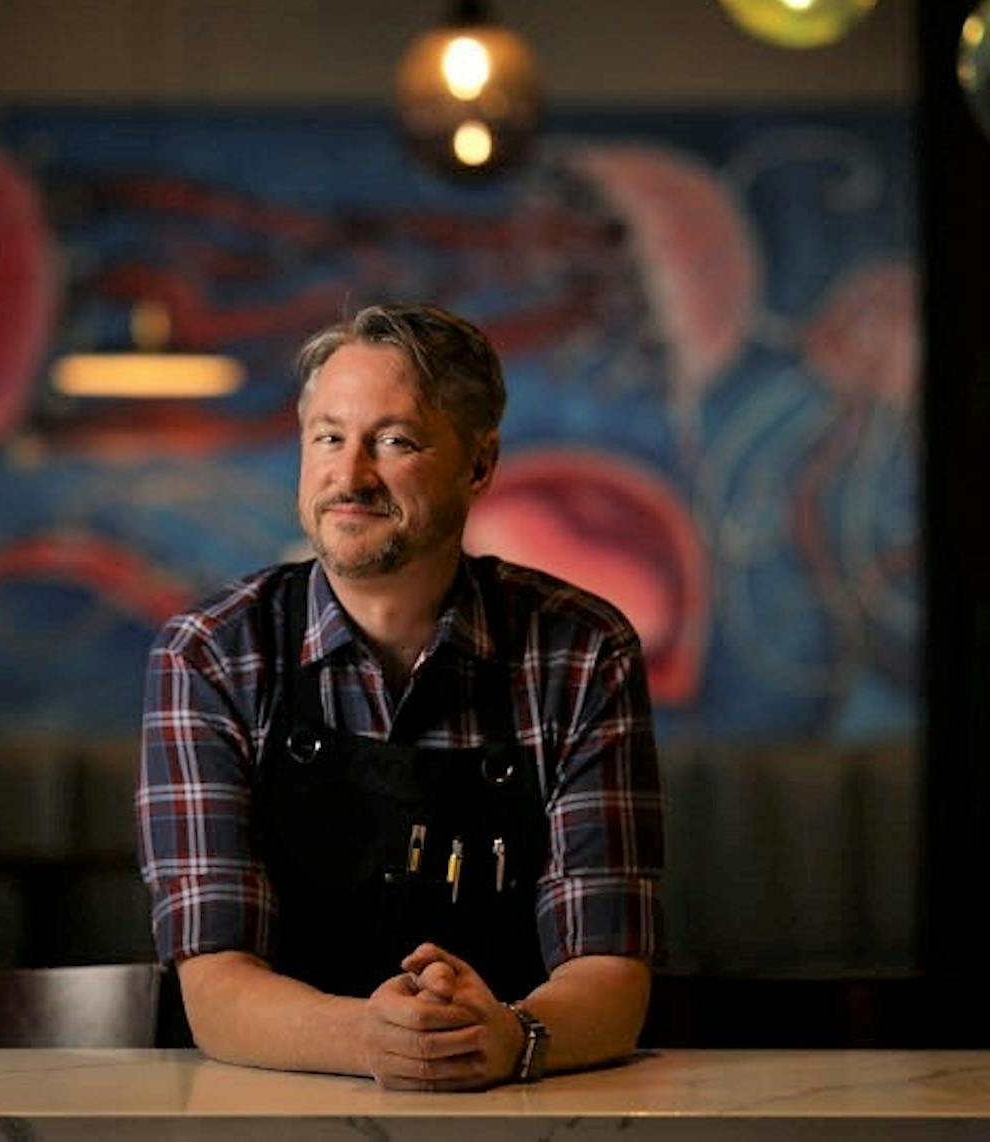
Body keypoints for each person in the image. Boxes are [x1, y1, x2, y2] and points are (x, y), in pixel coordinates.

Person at [136, 302, 664, 1089]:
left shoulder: (581, 651)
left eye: (394, 441)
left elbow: (611, 975)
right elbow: (214, 985)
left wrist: (510, 1037)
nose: (349, 477)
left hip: (522, 1112)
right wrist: (376, 1039)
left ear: (479, 465)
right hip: (268, 1116)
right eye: (328, 437)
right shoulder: (212, 653)